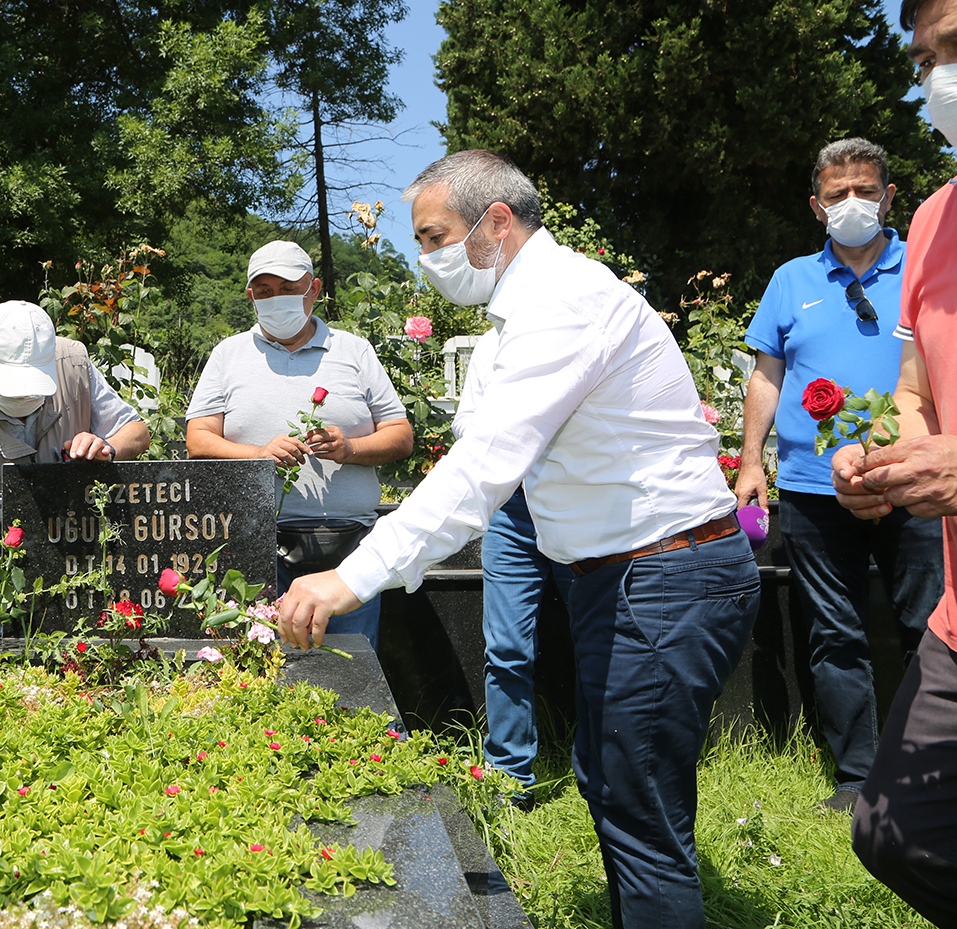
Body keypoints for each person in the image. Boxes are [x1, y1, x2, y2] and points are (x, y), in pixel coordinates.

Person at [278, 150, 759, 929]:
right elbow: (480, 446)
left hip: (669, 575)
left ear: (496, 222)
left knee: (637, 807)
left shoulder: (564, 302)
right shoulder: (515, 317)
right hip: (618, 577)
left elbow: (485, 467)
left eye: (435, 235)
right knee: (611, 786)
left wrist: (349, 578)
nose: (426, 256)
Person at [738, 138, 943, 814]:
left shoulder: (924, 267)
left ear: (889, 197)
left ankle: (929, 775)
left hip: (912, 479)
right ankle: (856, 778)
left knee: (927, 626)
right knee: (835, 633)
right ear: (815, 205)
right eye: (836, 193)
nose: (850, 202)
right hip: (812, 489)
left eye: (864, 190)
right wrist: (749, 461)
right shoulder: (790, 281)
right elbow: (766, 376)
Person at [833, 0, 957, 926]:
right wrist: (889, 454)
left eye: (956, 49)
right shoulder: (937, 218)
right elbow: (916, 388)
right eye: (926, 59)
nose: (937, 80)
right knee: (894, 829)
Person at [183, 240, 412, 650]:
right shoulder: (228, 354)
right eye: (265, 291)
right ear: (251, 296)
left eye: (289, 288)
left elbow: (400, 435)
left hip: (349, 545)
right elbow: (198, 440)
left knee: (350, 662)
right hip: (255, 543)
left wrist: (351, 448)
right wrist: (258, 454)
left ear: (314, 288)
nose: (277, 299)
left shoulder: (354, 351)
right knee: (262, 668)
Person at [0, 300, 151, 664]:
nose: (24, 396)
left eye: (33, 383)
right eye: (13, 383)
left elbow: (137, 432)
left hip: (67, 562)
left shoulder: (72, 364)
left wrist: (108, 447)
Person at [459, 328, 573, 803]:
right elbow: (465, 424)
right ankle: (509, 778)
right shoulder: (494, 343)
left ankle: (609, 768)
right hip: (512, 512)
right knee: (506, 647)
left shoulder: (581, 336)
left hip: (580, 507)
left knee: (604, 645)